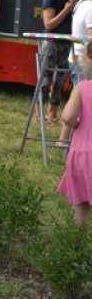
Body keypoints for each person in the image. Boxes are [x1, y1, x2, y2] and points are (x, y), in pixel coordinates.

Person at [59, 41, 92, 224]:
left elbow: (67, 116)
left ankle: (77, 241)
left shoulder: (82, 88)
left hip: (81, 155)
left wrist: (78, 123)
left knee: (81, 209)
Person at [39, 0, 77, 125]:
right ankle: (38, 113)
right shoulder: (51, 0)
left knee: (60, 80)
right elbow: (49, 25)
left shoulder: (76, 1)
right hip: (51, 42)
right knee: (45, 77)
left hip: (68, 44)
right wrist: (66, 10)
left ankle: (52, 113)